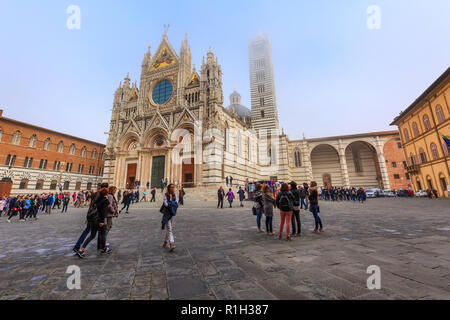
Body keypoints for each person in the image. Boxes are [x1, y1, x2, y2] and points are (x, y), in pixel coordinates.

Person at [73, 183, 109, 257]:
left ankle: (81, 249)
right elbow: (103, 211)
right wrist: (102, 221)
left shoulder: (94, 195)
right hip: (98, 219)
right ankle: (103, 248)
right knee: (102, 234)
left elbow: (92, 205)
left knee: (91, 235)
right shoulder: (104, 199)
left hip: (91, 217)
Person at [161, 184, 179, 252]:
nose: (172, 188)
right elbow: (166, 204)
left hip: (172, 214)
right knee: (169, 228)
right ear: (168, 188)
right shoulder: (166, 195)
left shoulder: (175, 196)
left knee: (169, 228)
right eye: (171, 187)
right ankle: (171, 243)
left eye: (173, 187)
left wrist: (170, 202)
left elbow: (176, 204)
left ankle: (165, 242)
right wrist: (172, 202)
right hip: (167, 214)